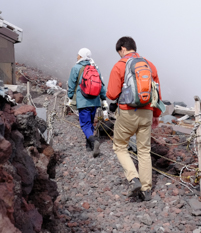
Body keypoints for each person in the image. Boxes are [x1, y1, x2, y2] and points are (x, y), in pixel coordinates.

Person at [107, 36, 161, 201]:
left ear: (122, 48)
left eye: (119, 52)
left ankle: (134, 178)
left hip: (128, 113)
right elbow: (157, 93)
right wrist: (156, 115)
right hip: (147, 113)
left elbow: (112, 93)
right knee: (144, 150)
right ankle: (146, 189)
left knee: (120, 146)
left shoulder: (120, 65)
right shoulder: (149, 65)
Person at [67, 48, 107, 157]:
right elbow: (101, 85)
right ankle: (89, 146)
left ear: (81, 56)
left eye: (78, 55)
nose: (77, 56)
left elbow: (71, 84)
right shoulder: (95, 68)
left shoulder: (76, 68)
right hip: (95, 101)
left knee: (85, 124)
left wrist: (70, 97)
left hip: (83, 101)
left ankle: (93, 141)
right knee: (90, 122)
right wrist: (103, 99)